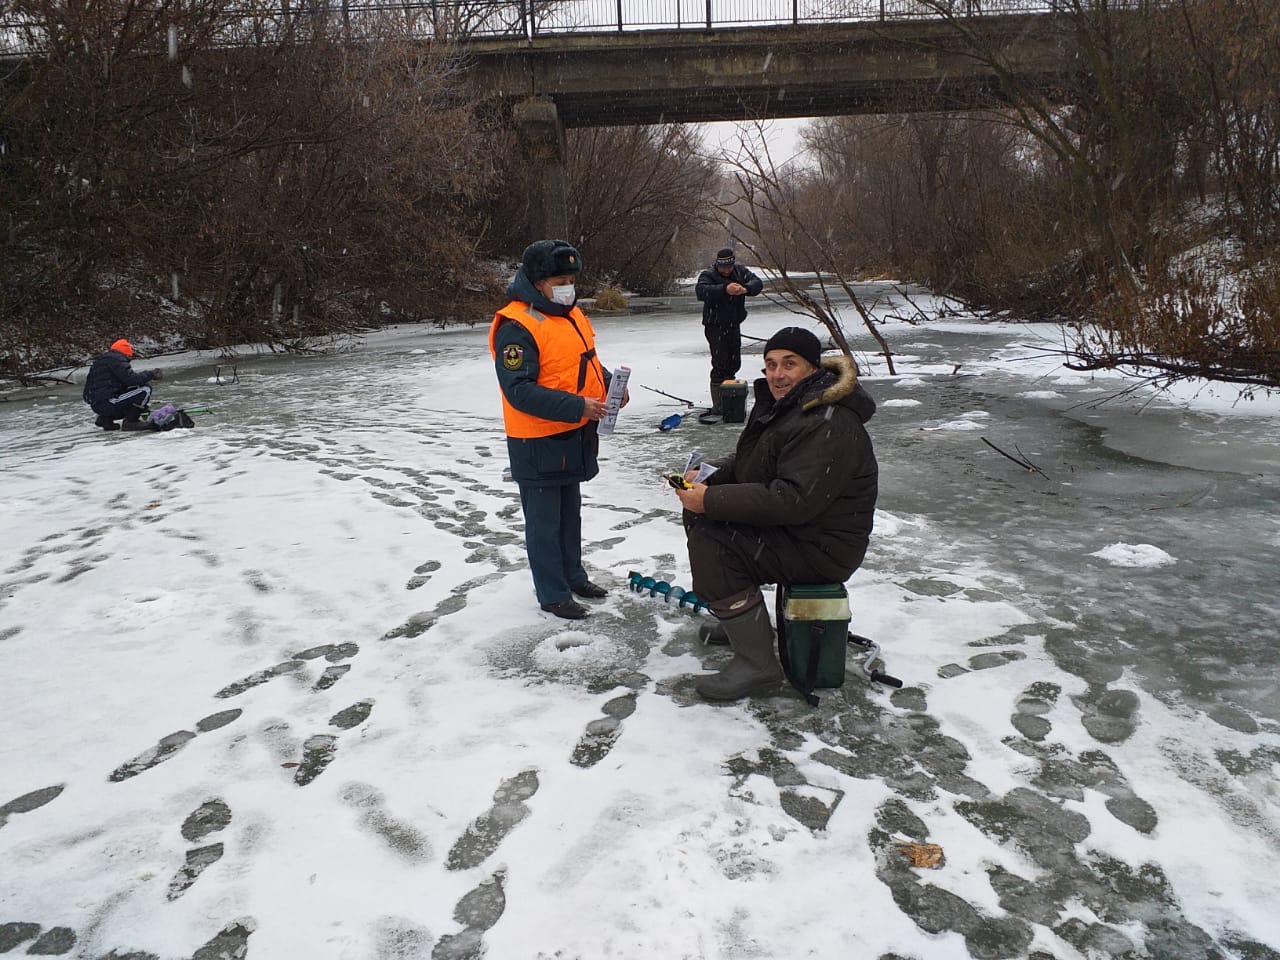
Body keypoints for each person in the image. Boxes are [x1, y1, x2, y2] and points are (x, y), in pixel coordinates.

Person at [671, 326, 877, 701]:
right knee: (705, 517)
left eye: (789, 364)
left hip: (823, 546)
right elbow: (758, 463)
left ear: (813, 369)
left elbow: (793, 499)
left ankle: (758, 666)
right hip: (803, 531)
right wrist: (711, 475)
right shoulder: (792, 405)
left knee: (715, 540)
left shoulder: (826, 420)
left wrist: (711, 500)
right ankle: (743, 625)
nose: (777, 374)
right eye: (770, 364)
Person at [490, 240, 629, 620]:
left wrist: (611, 389)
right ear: (537, 282)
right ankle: (552, 593)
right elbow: (519, 390)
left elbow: (582, 364)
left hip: (574, 432)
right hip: (537, 439)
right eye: (559, 280)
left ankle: (573, 576)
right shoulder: (516, 325)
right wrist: (577, 406)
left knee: (570, 514)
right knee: (544, 522)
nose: (568, 286)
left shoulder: (570, 315)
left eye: (571, 279)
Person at [694, 247, 763, 414]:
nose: (727, 271)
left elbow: (757, 283)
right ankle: (719, 406)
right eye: (724, 268)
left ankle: (730, 398)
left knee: (733, 363)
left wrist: (745, 289)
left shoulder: (740, 272)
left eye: (729, 267)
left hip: (733, 324)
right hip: (715, 326)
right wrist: (725, 289)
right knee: (720, 364)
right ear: (717, 265)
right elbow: (701, 291)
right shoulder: (708, 275)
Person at [82, 339, 162, 431]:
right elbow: (132, 379)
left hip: (98, 405)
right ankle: (131, 422)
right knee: (145, 389)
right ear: (126, 353)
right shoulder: (116, 359)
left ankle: (106, 419)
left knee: (133, 399)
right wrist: (151, 374)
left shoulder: (102, 361)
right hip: (108, 402)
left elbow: (117, 384)